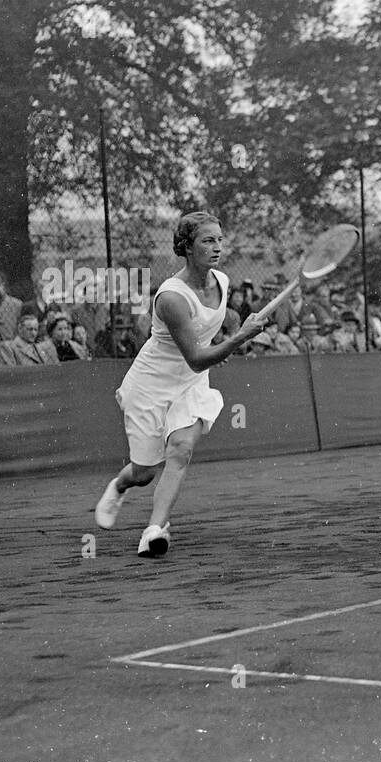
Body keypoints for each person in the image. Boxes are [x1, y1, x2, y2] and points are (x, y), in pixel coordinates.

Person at [93, 211, 267, 558]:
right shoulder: (171, 297)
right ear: (187, 247)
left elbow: (203, 343)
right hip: (151, 385)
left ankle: (154, 530)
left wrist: (221, 348)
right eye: (207, 240)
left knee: (181, 449)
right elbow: (196, 356)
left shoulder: (222, 281)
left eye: (219, 239)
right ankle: (119, 485)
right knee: (143, 473)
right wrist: (237, 340)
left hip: (191, 383)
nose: (217, 247)